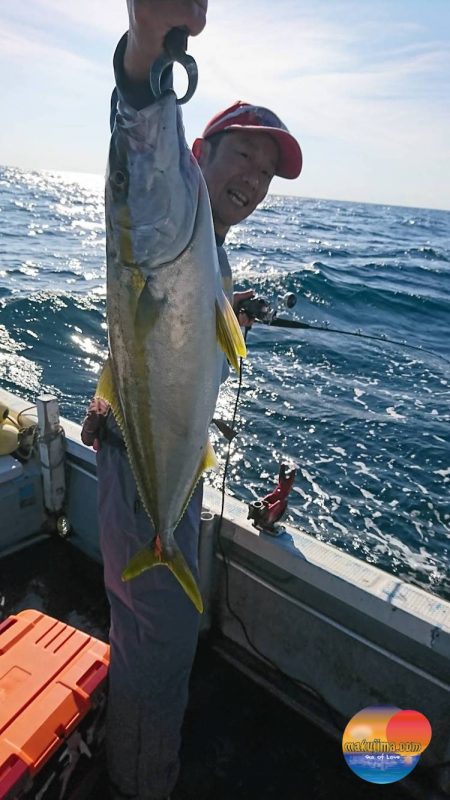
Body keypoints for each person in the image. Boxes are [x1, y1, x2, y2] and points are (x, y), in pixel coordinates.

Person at [83, 2, 302, 798]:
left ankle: (134, 752)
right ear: (199, 150)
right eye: (242, 154)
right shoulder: (166, 216)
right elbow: (137, 129)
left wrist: (227, 317)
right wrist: (146, 52)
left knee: (149, 633)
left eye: (267, 174)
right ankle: (141, 784)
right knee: (161, 646)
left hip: (160, 462)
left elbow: (183, 317)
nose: (253, 180)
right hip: (141, 468)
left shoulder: (206, 249)